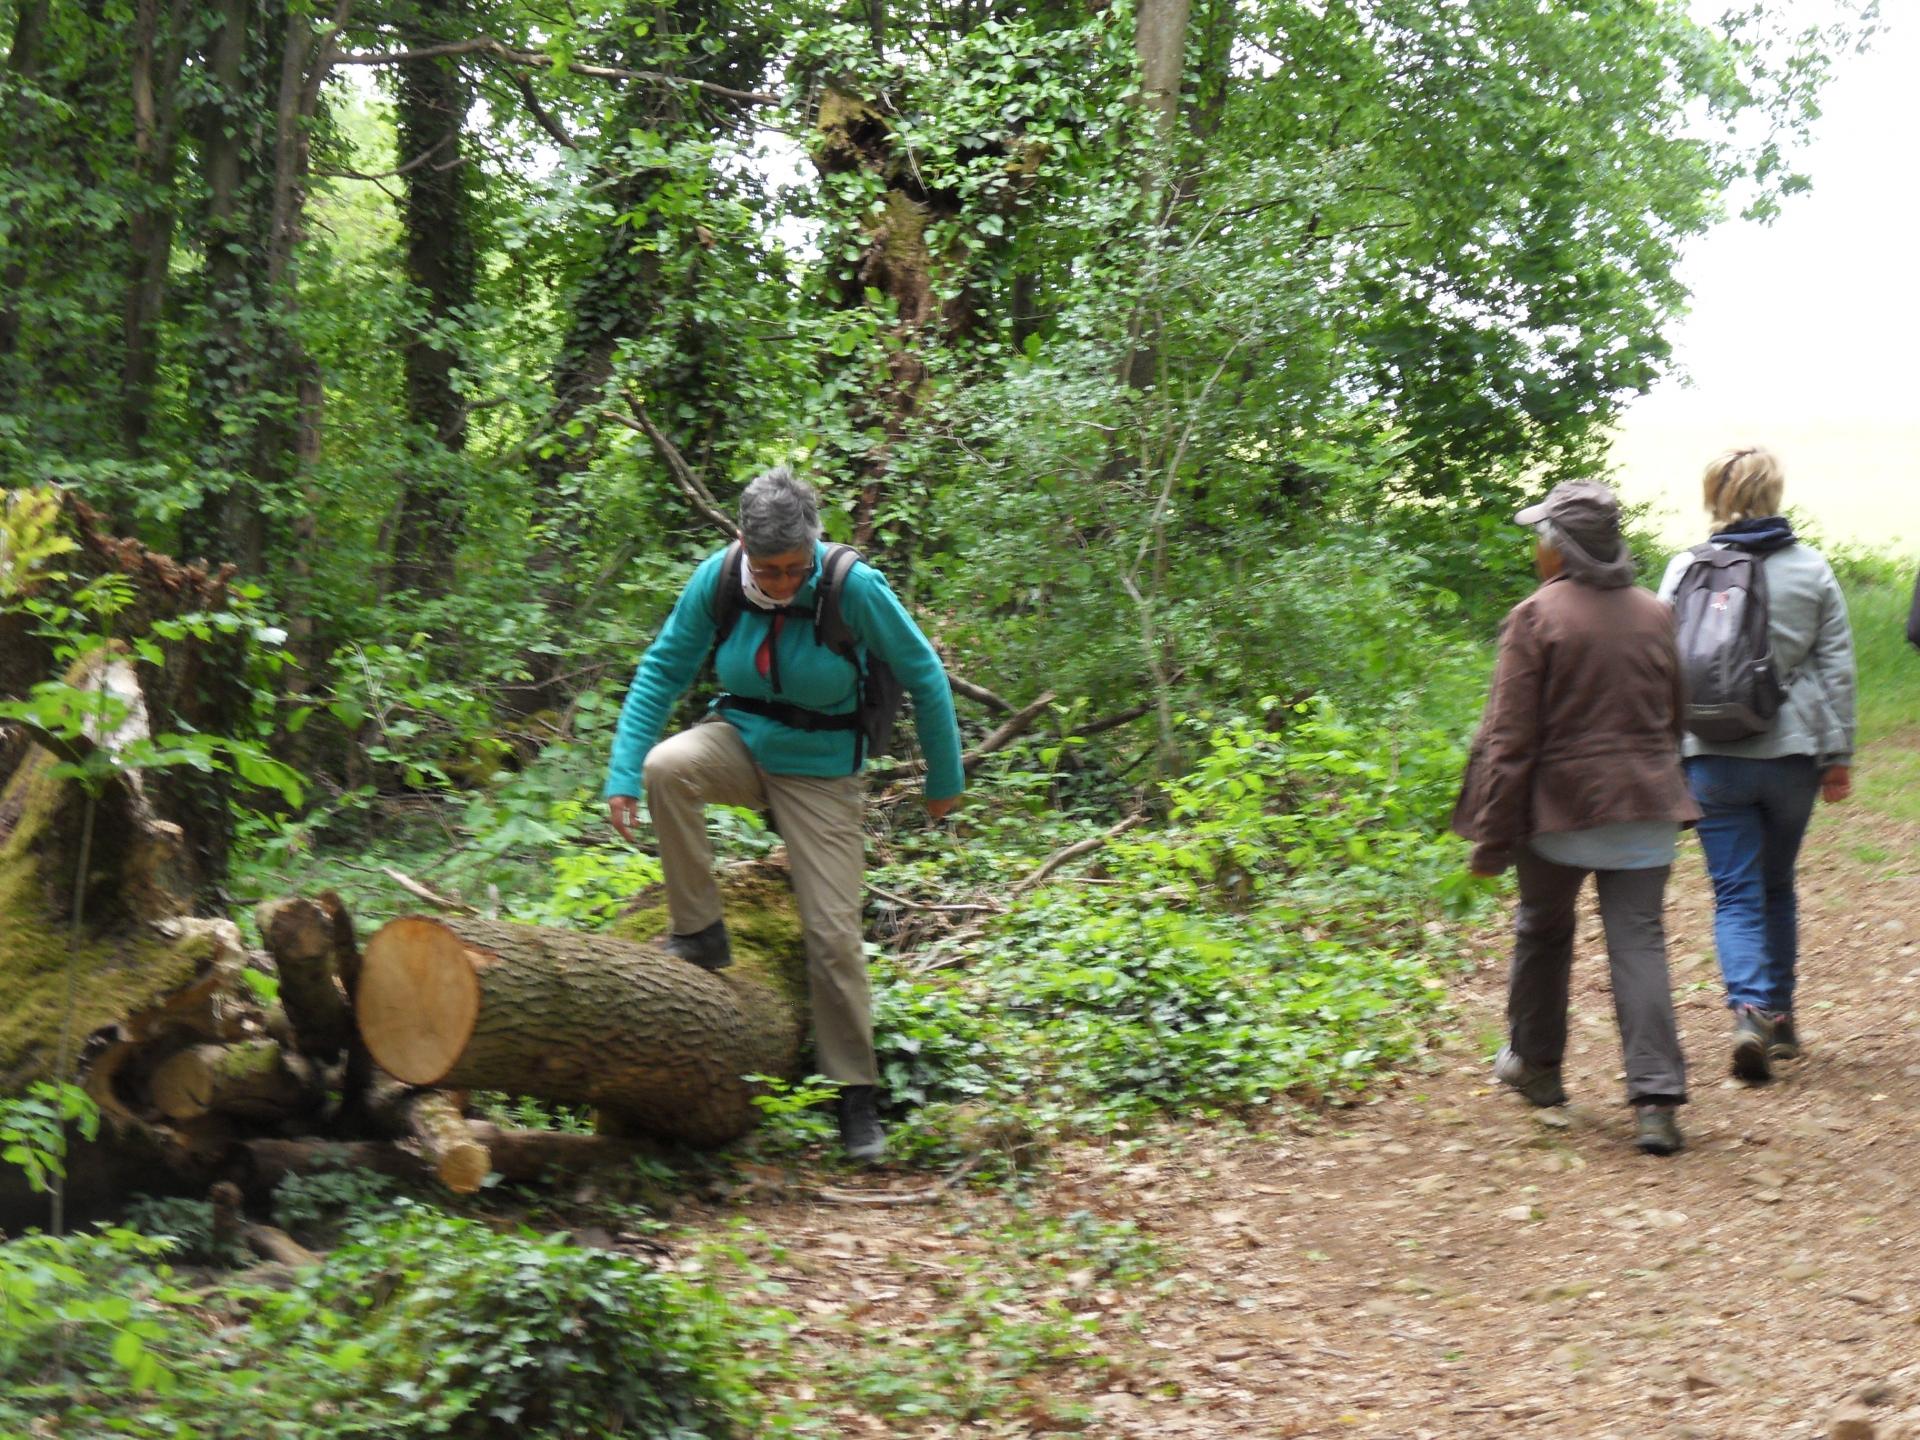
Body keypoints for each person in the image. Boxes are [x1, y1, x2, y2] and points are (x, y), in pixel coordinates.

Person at [604, 466, 964, 1163]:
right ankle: (700, 932)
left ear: (813, 549)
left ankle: (853, 1097)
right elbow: (662, 669)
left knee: (830, 934)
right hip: (739, 740)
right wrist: (622, 772)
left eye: (794, 570)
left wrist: (944, 779)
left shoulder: (851, 586)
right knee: (664, 768)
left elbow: (923, 671)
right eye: (768, 570)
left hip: (823, 767)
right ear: (743, 544)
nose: (779, 584)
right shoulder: (718, 578)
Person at [1453, 481, 1701, 1156]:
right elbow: (1677, 718)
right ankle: (1655, 1102)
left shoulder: (1536, 617)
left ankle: (1537, 1068)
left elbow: (1510, 740)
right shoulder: (1655, 613)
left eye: (1542, 536)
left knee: (1542, 929)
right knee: (1640, 943)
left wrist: (1492, 836)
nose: (1536, 548)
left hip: (1558, 812)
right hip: (1646, 805)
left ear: (1559, 548)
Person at [1657, 446, 1855, 1082]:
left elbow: (1660, 662)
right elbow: (1837, 669)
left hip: (1710, 753)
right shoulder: (1812, 570)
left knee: (1735, 891)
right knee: (1776, 884)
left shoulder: (1685, 568)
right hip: (1793, 752)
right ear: (1775, 493)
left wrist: (1665, 748)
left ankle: (1749, 1009)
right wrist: (1839, 754)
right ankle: (1784, 1018)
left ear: (1714, 494)